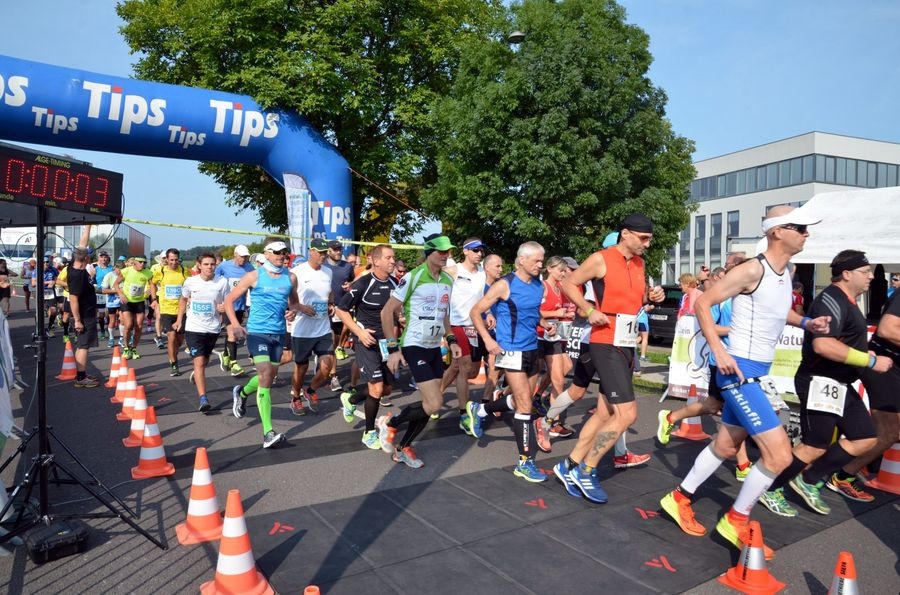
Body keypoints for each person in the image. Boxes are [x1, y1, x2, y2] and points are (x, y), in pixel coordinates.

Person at [658, 205, 829, 559]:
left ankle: (678, 498)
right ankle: (736, 520)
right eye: (800, 228)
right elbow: (703, 303)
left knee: (724, 446)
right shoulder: (752, 269)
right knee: (779, 455)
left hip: (755, 372)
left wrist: (806, 323)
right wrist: (719, 350)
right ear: (777, 231)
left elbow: (777, 311)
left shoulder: (785, 272)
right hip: (739, 372)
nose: (806, 234)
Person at [765, 250, 890, 514]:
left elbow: (845, 341)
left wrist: (864, 354)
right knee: (814, 446)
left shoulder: (849, 301)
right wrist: (869, 361)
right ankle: (770, 488)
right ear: (847, 274)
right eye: (865, 271)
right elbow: (823, 345)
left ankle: (808, 479)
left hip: (840, 383)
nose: (871, 276)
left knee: (865, 438)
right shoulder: (831, 299)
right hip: (820, 381)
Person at [552, 214, 664, 503]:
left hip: (626, 342)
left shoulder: (639, 263)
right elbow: (569, 284)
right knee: (627, 414)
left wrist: (652, 297)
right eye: (643, 238)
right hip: (604, 341)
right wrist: (589, 311)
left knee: (605, 413)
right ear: (625, 233)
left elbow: (635, 300)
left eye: (650, 239)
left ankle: (569, 465)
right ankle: (587, 470)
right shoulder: (601, 259)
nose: (647, 244)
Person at [465, 241, 550, 482]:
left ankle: (481, 409)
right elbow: (475, 311)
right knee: (525, 406)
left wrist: (544, 323)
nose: (540, 264)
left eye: (542, 260)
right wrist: (488, 340)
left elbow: (532, 311)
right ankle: (524, 462)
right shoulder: (505, 284)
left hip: (532, 348)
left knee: (523, 399)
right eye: (536, 260)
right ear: (522, 260)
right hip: (510, 350)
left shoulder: (538, 285)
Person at [376, 234, 460, 468]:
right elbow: (387, 312)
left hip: (434, 347)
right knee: (435, 403)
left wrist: (451, 339)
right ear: (429, 252)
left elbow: (444, 314)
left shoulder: (447, 280)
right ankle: (390, 424)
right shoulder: (413, 277)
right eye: (441, 251)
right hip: (414, 345)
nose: (445, 255)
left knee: (428, 404)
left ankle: (402, 448)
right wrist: (393, 348)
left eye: (448, 251)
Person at [227, 240, 300, 449]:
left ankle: (241, 393)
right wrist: (236, 325)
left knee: (268, 376)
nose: (281, 255)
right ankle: (268, 433)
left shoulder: (290, 277)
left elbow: (294, 302)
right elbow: (229, 300)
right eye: (276, 252)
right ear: (267, 254)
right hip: (257, 332)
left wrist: (293, 311)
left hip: (278, 333)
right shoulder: (254, 276)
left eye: (284, 252)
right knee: (266, 374)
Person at [839, 277, 900, 493]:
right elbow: (887, 329)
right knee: (889, 433)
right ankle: (841, 474)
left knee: (887, 433)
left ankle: (847, 467)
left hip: (892, 368)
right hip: (883, 367)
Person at [336, 244, 398, 449]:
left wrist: (398, 330)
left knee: (386, 389)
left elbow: (396, 313)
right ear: (376, 261)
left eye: (393, 257)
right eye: (388, 258)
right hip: (366, 342)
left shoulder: (395, 283)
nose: (392, 261)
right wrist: (359, 332)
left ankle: (351, 400)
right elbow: (341, 309)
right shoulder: (363, 283)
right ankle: (369, 433)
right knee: (376, 387)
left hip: (386, 343)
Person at [439, 238, 487, 434]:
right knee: (464, 366)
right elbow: (432, 279)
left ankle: (436, 394)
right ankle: (464, 414)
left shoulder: (482, 272)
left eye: (481, 250)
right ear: (465, 251)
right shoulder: (454, 270)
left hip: (475, 326)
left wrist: (489, 313)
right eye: (475, 250)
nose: (479, 254)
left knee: (468, 370)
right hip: (456, 324)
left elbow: (485, 297)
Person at [174, 252, 230, 412]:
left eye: (212, 264)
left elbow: (228, 302)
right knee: (199, 362)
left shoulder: (222, 282)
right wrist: (179, 320)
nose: (209, 267)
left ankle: (197, 374)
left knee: (204, 361)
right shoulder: (190, 282)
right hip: (194, 328)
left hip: (213, 327)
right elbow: (183, 299)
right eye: (206, 264)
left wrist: (224, 308)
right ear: (199, 265)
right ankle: (203, 398)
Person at [289, 238, 334, 415]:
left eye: (325, 253)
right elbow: (288, 299)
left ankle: (311, 391)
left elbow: (329, 293)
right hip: (302, 329)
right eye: (320, 252)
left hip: (323, 327)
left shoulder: (328, 272)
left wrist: (331, 304)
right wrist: (301, 307)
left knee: (327, 366)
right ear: (311, 251)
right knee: (301, 368)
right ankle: (296, 397)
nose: (323, 256)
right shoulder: (296, 272)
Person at [215, 244, 255, 376]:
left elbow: (253, 286)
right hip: (227, 305)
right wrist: (218, 302)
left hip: (240, 306)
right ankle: (234, 364)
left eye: (246, 257)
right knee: (233, 332)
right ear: (235, 255)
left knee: (232, 333)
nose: (244, 259)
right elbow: (215, 282)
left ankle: (225, 354)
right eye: (242, 256)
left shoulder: (249, 268)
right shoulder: (224, 266)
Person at [152, 248, 190, 376]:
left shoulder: (184, 271)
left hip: (181, 310)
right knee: (171, 337)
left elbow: (190, 286)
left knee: (179, 340)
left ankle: (173, 352)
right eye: (171, 260)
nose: (174, 262)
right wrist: (154, 299)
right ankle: (174, 364)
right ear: (167, 259)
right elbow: (152, 283)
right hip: (166, 309)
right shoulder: (161, 271)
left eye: (176, 260)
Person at [66, 247, 100, 388]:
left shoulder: (73, 267)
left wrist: (88, 228)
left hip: (87, 314)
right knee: (83, 346)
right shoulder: (77, 275)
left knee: (83, 345)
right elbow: (73, 299)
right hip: (84, 316)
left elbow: (82, 244)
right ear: (86, 258)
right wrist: (78, 321)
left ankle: (82, 374)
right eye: (89, 256)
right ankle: (81, 378)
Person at [323, 240, 355, 385]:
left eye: (339, 249)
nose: (338, 252)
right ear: (328, 251)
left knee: (336, 342)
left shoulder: (347, 266)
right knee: (331, 343)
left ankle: (325, 360)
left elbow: (353, 282)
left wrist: (350, 285)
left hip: (342, 308)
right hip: (326, 308)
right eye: (335, 249)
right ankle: (334, 376)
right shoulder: (323, 266)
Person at [113, 255, 156, 360]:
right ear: (134, 263)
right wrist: (121, 294)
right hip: (127, 301)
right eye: (140, 262)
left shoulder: (148, 273)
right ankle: (126, 348)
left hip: (139, 302)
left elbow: (152, 285)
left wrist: (153, 297)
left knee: (139, 326)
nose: (142, 264)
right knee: (128, 325)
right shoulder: (126, 271)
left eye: (144, 262)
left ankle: (134, 349)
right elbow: (116, 284)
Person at [34, 257, 60, 337]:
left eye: (47, 262)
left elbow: (57, 279)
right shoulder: (37, 270)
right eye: (44, 262)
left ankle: (50, 328)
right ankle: (38, 329)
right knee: (39, 312)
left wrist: (54, 282)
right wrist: (47, 282)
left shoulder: (53, 270)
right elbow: (33, 283)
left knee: (54, 311)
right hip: (41, 292)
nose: (46, 264)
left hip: (50, 292)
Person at [93, 251, 115, 340]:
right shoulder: (95, 269)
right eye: (101, 257)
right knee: (101, 314)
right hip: (100, 292)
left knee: (110, 313)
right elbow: (91, 280)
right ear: (98, 259)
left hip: (110, 292)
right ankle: (102, 330)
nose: (104, 259)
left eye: (105, 257)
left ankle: (109, 329)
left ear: (108, 259)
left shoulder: (112, 268)